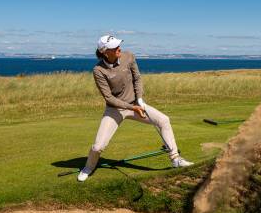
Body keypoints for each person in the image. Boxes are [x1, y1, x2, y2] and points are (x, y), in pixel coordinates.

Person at [77, 34, 194, 182]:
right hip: (115, 109)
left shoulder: (129, 56)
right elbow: (109, 98)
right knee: (98, 147)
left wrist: (139, 100)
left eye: (118, 45)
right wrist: (132, 108)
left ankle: (175, 158)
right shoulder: (98, 70)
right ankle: (88, 167)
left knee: (164, 120)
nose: (119, 48)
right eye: (115, 47)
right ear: (105, 52)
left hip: (136, 104)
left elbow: (137, 78)